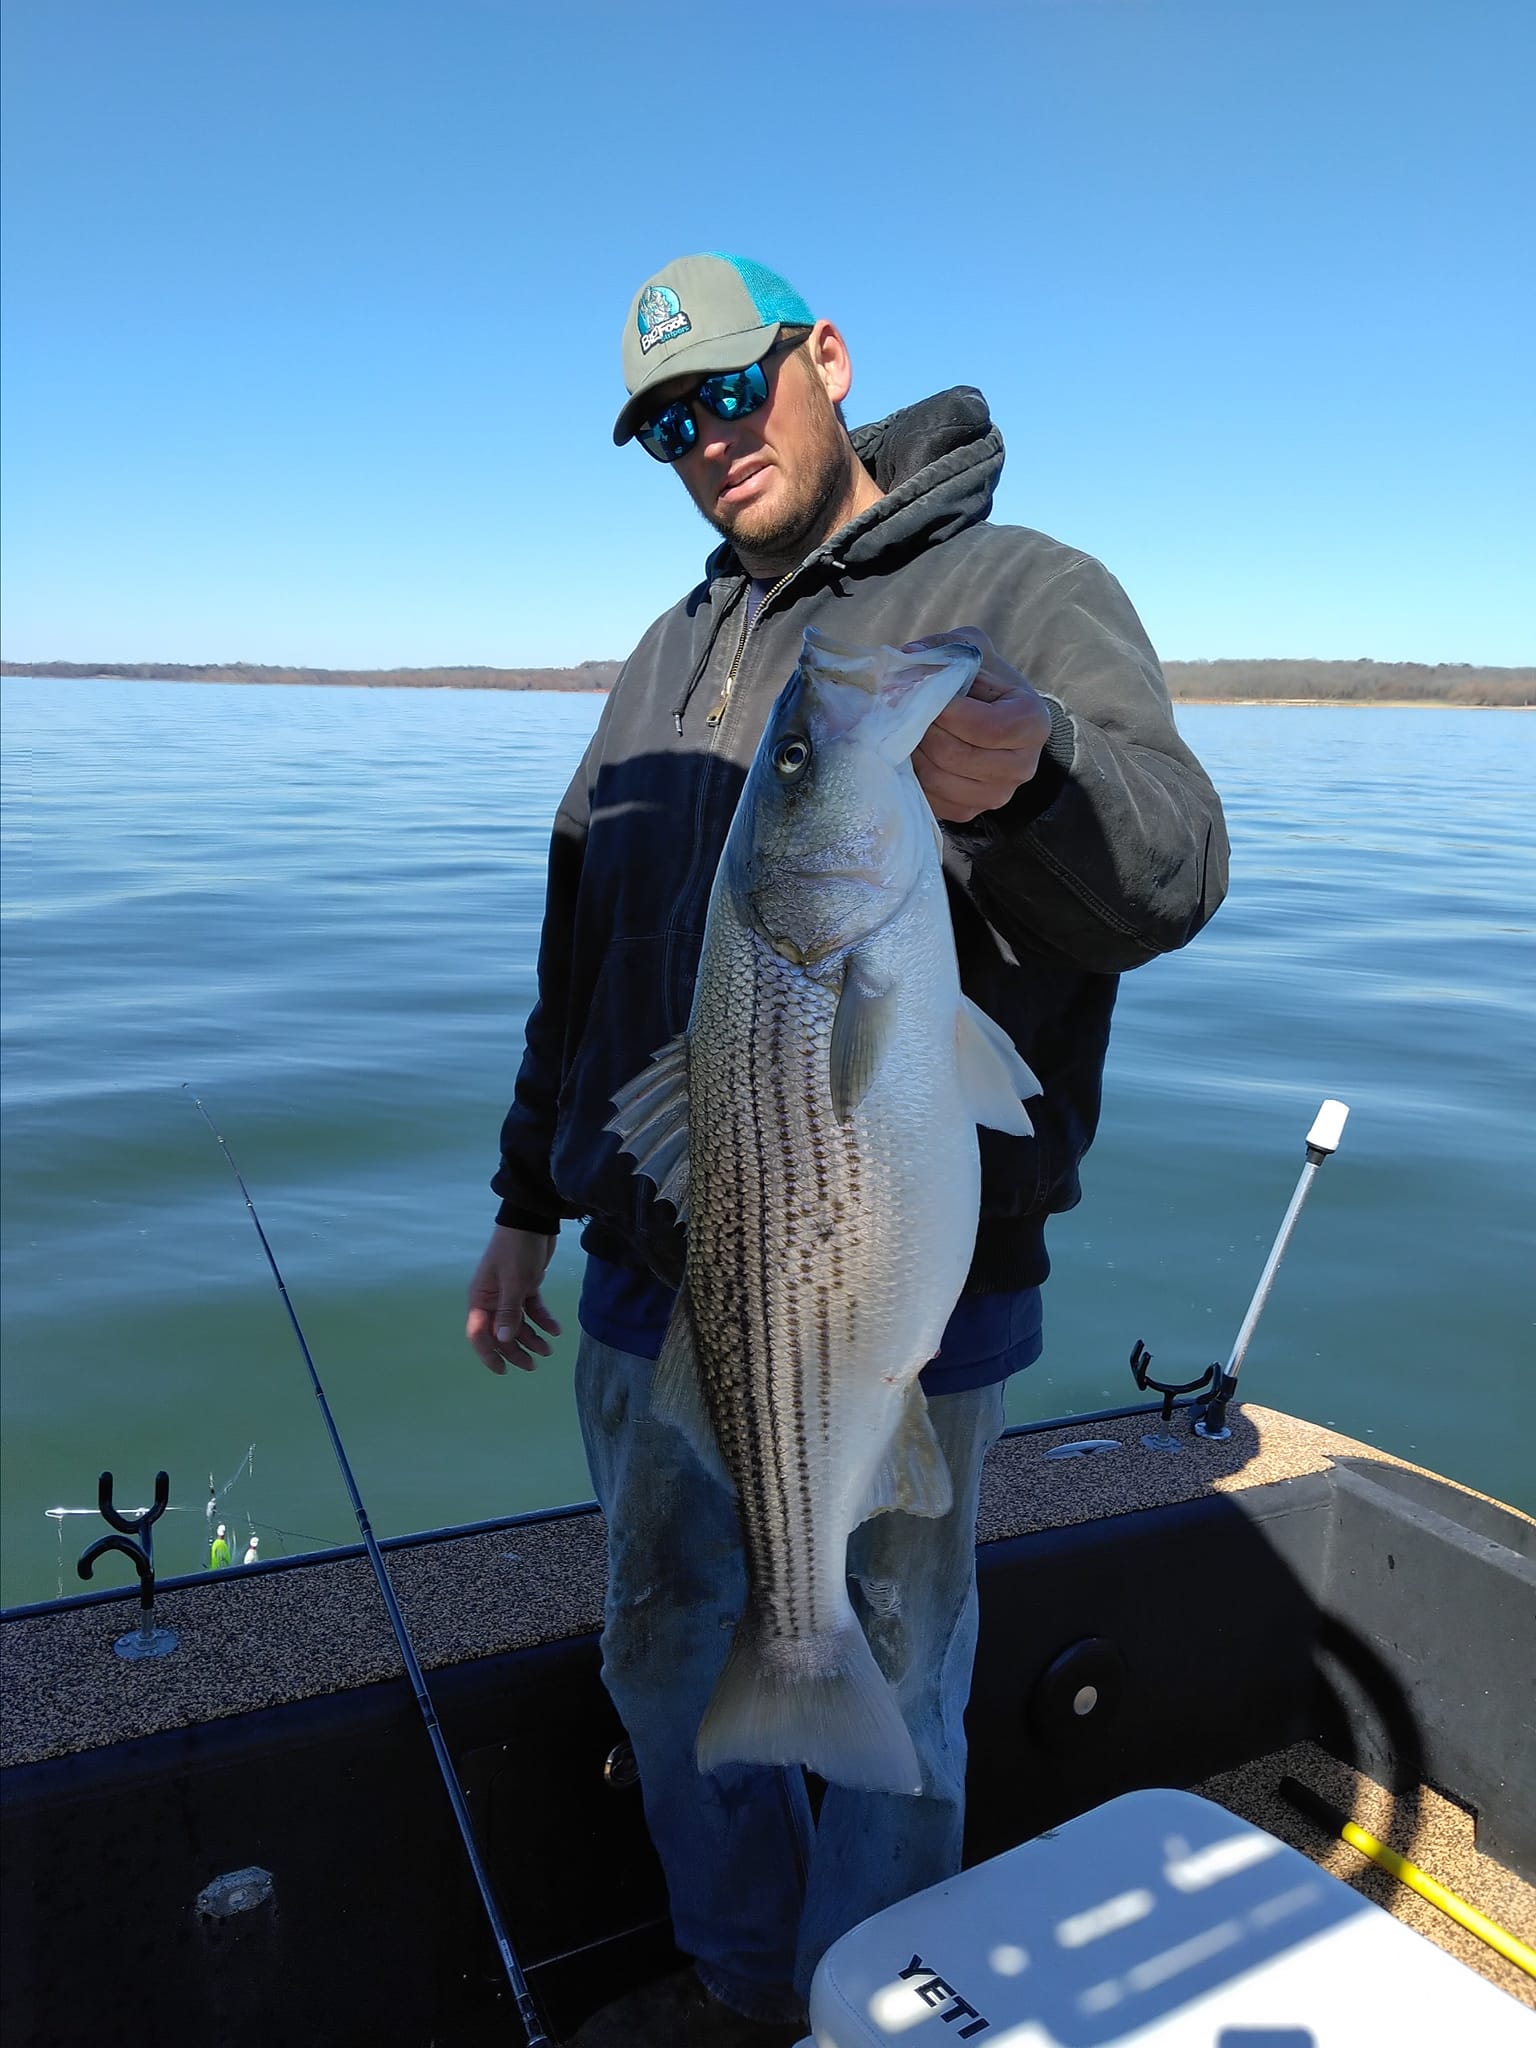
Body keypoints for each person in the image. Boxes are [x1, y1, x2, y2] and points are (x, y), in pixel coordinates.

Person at [466, 254, 1229, 2046]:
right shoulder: (675, 649)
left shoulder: (1026, 590)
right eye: (665, 424)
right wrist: (522, 1202)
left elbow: (1178, 870)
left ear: (824, 359)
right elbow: (579, 955)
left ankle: (873, 2006)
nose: (704, 441)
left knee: (901, 1674)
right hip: (665, 1276)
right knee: (661, 1656)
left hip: (906, 1285)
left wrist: (1040, 779)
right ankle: (745, 1986)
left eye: (732, 390)